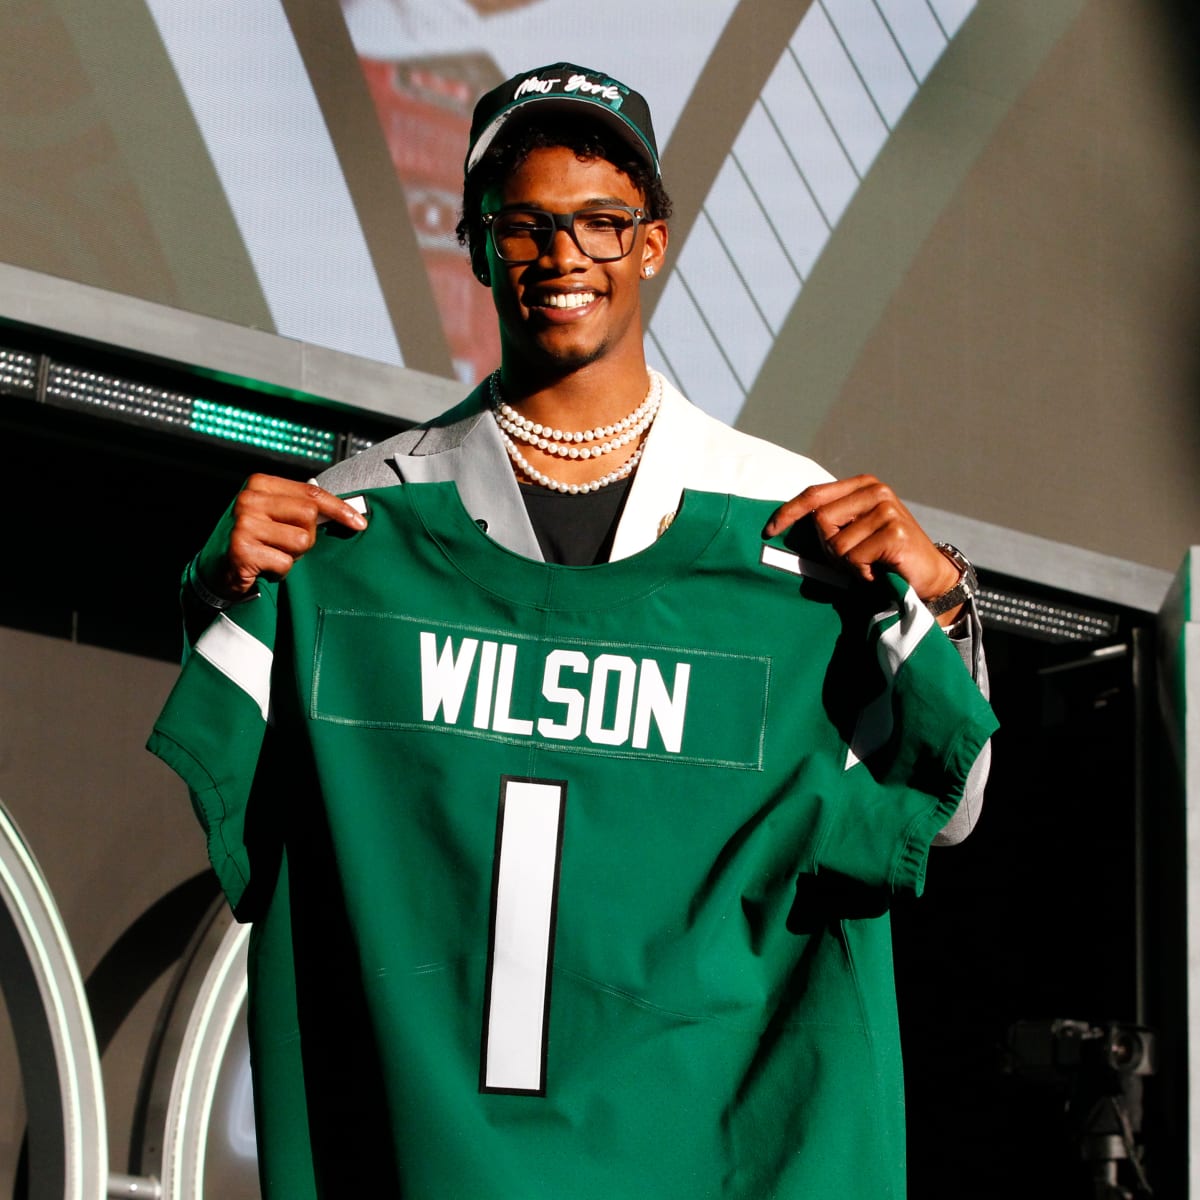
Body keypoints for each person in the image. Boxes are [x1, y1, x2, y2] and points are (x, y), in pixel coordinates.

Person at [154, 64, 995, 1198]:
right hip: (426, 1154)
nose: (564, 260)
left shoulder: (785, 523)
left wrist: (939, 607)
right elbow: (249, 787)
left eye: (601, 223)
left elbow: (949, 807)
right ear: (475, 241)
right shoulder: (358, 519)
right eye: (527, 226)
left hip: (706, 1157)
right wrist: (221, 593)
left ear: (653, 241)